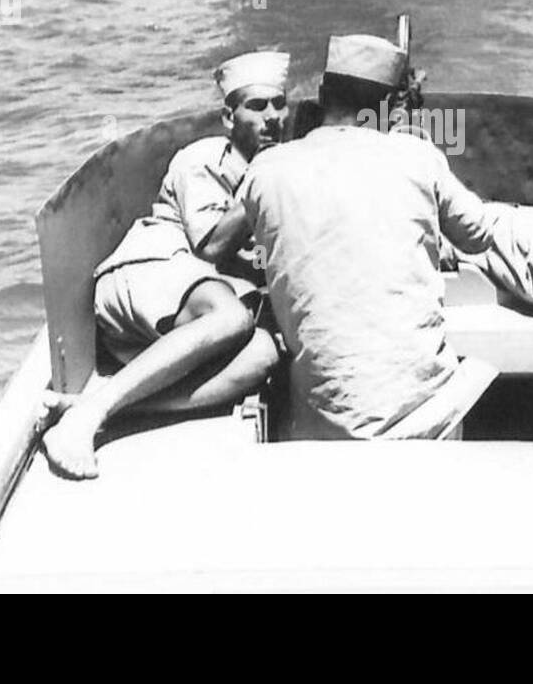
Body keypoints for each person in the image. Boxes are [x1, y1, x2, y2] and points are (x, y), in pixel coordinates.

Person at [200, 34, 501, 440]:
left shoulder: (267, 168)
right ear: (391, 105)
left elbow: (217, 246)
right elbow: (479, 236)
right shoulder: (416, 156)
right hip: (429, 416)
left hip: (325, 426)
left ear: (323, 94)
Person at [41, 51, 290, 478]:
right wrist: (262, 181)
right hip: (147, 271)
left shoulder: (272, 169)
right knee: (232, 316)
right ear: (229, 118)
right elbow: (210, 246)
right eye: (256, 106)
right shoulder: (205, 157)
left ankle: (100, 408)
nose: (272, 118)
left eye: (278, 105)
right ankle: (86, 419)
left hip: (186, 315)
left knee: (265, 355)